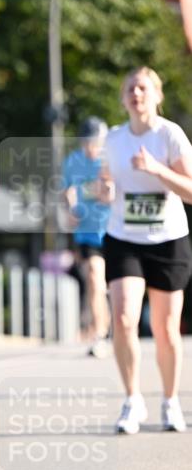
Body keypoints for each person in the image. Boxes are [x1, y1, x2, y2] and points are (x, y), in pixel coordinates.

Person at [99, 67, 192, 434]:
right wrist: (103, 189)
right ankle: (132, 399)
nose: (136, 94)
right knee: (123, 318)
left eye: (143, 88)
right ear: (123, 98)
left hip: (167, 239)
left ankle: (170, 401)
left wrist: (156, 169)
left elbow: (190, 190)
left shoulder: (169, 135)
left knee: (166, 329)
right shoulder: (114, 139)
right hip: (124, 238)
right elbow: (105, 181)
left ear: (156, 95)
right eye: (130, 89)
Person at [62, 117, 111, 357]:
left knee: (109, 285)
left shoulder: (111, 160)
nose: (92, 148)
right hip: (87, 233)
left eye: (97, 143)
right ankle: (100, 335)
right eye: (88, 143)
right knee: (94, 278)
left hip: (114, 230)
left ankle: (111, 325)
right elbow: (68, 189)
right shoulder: (73, 161)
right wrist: (71, 207)